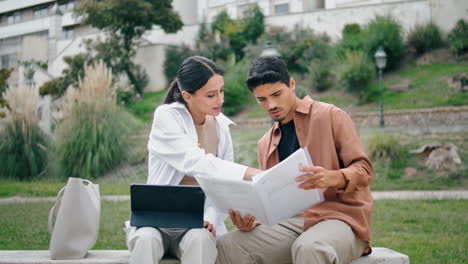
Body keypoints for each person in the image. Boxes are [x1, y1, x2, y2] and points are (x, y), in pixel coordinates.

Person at [216, 57, 374, 264]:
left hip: (341, 217)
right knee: (228, 245)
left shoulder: (331, 116)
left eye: (276, 94)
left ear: (291, 84)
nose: (271, 105)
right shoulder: (265, 143)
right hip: (292, 221)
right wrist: (253, 220)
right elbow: (274, 200)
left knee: (310, 247)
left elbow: (364, 170)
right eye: (261, 99)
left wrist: (332, 177)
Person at [124, 56, 259, 264]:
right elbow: (195, 162)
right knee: (146, 239)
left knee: (201, 239)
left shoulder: (221, 127)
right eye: (211, 95)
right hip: (155, 220)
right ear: (187, 95)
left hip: (197, 221)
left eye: (222, 91)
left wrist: (211, 219)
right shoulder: (166, 116)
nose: (220, 100)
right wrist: (249, 172)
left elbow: (223, 185)